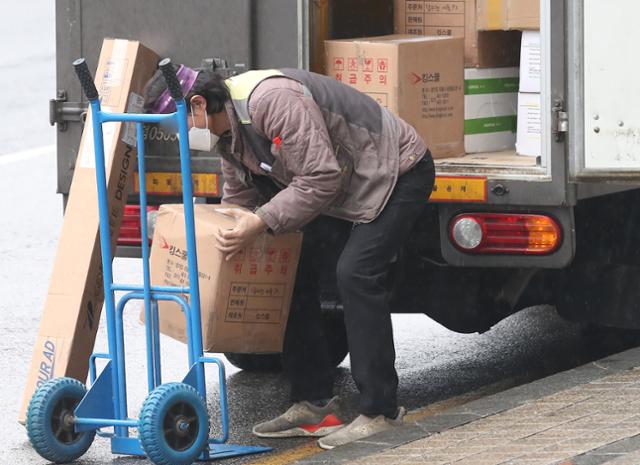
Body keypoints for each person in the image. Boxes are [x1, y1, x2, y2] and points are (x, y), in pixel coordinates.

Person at [144, 64, 435, 450]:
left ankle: (380, 411)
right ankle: (314, 405)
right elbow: (240, 192)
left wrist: (261, 220)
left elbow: (320, 177)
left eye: (179, 125)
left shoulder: (272, 101)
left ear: (198, 104)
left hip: (394, 171)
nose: (180, 135)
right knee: (291, 270)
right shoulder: (225, 128)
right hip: (344, 189)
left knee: (356, 274)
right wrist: (233, 228)